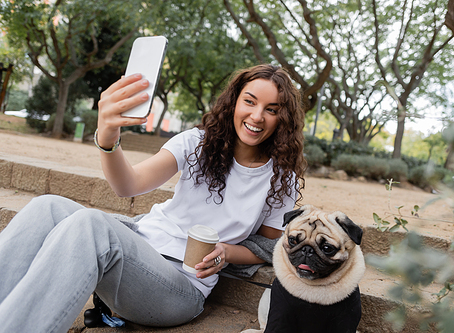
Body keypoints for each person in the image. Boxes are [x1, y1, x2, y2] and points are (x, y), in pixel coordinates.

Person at [0, 64, 306, 332]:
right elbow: (128, 185)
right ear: (234, 102)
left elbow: (268, 246)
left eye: (272, 109)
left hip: (180, 287)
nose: (257, 116)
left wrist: (226, 252)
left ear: (283, 118)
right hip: (139, 246)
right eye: (249, 102)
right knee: (47, 206)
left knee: (91, 223)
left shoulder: (281, 177)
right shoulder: (196, 142)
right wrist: (107, 140)